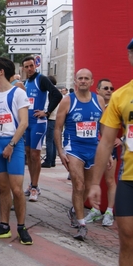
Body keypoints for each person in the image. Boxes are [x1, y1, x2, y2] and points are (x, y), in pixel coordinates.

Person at [88, 38, 133, 266]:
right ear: (130, 57)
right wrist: (95, 183)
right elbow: (105, 143)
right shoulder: (120, 96)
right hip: (129, 178)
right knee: (127, 239)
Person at [0, 57, 32, 244]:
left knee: (17, 190)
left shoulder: (18, 93)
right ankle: (4, 226)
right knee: (3, 189)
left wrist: (11, 145)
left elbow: (24, 122)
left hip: (14, 144)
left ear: (1, 72)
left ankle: (21, 226)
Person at [54, 68, 104, 241]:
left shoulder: (99, 100)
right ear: (75, 81)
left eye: (86, 78)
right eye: (80, 78)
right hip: (74, 147)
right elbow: (57, 127)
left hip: (93, 148)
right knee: (79, 185)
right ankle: (82, 224)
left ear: (91, 82)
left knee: (88, 187)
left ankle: (75, 210)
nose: (83, 81)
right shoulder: (68, 101)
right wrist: (60, 151)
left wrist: (108, 151)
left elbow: (103, 127)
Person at [22, 56, 62, 202]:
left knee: (35, 155)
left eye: (31, 66)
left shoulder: (42, 79)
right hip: (26, 123)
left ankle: (35, 186)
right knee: (28, 154)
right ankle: (32, 184)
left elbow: (57, 95)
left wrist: (47, 112)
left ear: (35, 66)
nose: (29, 69)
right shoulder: (25, 82)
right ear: (23, 68)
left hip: (38, 123)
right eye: (26, 67)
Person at [84, 79, 119, 226]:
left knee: (110, 180)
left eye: (111, 88)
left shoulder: (116, 105)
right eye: (105, 88)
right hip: (92, 147)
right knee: (92, 181)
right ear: (97, 90)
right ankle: (95, 210)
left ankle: (109, 212)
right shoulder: (93, 105)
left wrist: (122, 139)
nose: (109, 90)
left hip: (110, 148)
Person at [41, 76, 59, 168]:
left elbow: (49, 105)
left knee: (49, 140)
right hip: (56, 118)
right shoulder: (57, 91)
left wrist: (46, 113)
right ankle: (52, 160)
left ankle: (48, 160)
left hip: (51, 118)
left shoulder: (50, 93)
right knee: (53, 140)